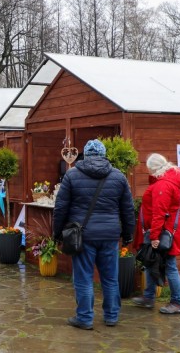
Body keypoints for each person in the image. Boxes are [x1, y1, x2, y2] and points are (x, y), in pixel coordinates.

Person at [53, 139, 135, 330]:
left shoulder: (72, 175)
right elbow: (128, 209)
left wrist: (57, 233)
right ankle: (112, 316)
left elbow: (60, 208)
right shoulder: (118, 176)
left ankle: (85, 318)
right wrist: (128, 233)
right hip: (110, 235)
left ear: (85, 154)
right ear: (104, 154)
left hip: (83, 235)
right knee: (110, 278)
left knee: (83, 278)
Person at [132, 153, 180, 314]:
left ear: (153, 168)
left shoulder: (163, 185)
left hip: (163, 233)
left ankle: (177, 302)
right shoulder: (170, 181)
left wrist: (154, 236)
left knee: (170, 266)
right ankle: (148, 297)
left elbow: (159, 213)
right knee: (150, 262)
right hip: (167, 230)